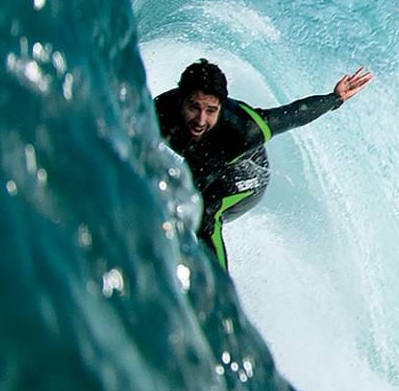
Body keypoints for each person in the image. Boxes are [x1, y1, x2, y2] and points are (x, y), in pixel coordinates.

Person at [154, 58, 373, 270]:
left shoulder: (245, 129)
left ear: (220, 107)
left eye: (211, 110)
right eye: (194, 107)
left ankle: (220, 296)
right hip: (203, 166)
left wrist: (335, 99)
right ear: (180, 99)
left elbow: (293, 115)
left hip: (246, 177)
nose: (201, 120)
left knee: (206, 212)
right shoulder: (160, 111)